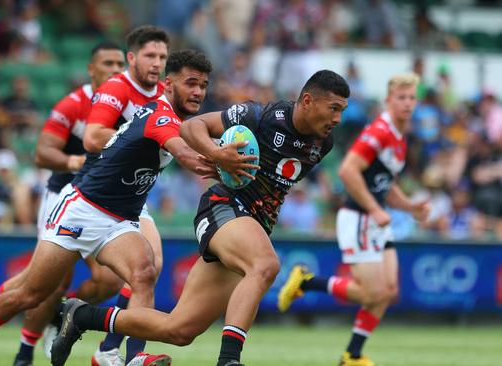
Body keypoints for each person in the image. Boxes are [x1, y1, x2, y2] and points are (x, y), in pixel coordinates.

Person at [51, 70, 350, 366]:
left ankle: (81, 316)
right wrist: (216, 154)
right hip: (223, 207)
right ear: (308, 100)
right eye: (333, 108)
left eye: (342, 111)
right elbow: (193, 127)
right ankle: (229, 361)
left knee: (179, 329)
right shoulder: (261, 116)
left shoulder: (323, 144)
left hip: (253, 224)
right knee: (265, 264)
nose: (338, 118)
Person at [0, 48, 213, 366]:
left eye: (203, 85)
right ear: (169, 84)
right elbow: (185, 155)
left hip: (119, 220)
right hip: (83, 210)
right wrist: (224, 161)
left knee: (143, 272)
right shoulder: (160, 115)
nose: (198, 91)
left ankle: (135, 356)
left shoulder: (173, 117)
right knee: (32, 293)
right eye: (191, 83)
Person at [277, 72, 430, 366]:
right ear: (388, 101)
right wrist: (374, 209)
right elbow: (347, 170)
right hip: (359, 218)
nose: (408, 103)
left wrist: (409, 207)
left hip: (374, 220)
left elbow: (385, 184)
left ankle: (352, 355)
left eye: (412, 98)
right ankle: (307, 282)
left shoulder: (399, 137)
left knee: (389, 292)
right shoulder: (380, 131)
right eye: (401, 97)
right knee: (373, 293)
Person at [0, 41, 126, 366]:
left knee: (110, 279)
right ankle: (22, 351)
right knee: (49, 282)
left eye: (120, 64)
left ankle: (63, 314)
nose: (115, 70)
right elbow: (41, 154)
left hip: (104, 202)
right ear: (91, 69)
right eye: (107, 63)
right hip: (64, 197)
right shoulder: (72, 104)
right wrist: (74, 162)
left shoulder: (130, 106)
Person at [80, 25, 171, 366]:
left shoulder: (164, 93)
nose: (157, 63)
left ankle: (124, 353)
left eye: (162, 57)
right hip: (91, 194)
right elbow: (92, 137)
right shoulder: (117, 88)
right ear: (131, 58)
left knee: (152, 265)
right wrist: (140, 137)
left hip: (132, 195)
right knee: (34, 290)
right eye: (150, 55)